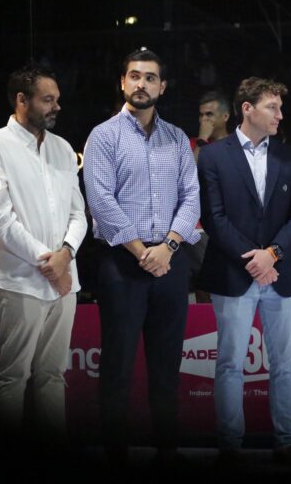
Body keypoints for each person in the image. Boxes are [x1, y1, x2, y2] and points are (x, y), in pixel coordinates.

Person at [83, 48, 200, 468]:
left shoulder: (177, 138)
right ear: (122, 82)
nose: (141, 84)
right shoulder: (103, 136)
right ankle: (116, 452)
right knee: (117, 361)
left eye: (150, 77)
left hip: (170, 260)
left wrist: (167, 247)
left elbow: (192, 198)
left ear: (162, 87)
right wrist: (141, 251)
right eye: (134, 76)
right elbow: (100, 200)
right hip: (121, 262)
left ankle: (167, 449)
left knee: (167, 364)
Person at [197, 77, 291, 469]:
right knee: (230, 363)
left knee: (286, 363)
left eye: (280, 107)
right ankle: (230, 447)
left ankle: (286, 443)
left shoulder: (289, 156)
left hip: (280, 273)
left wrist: (272, 255)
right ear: (247, 109)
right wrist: (255, 260)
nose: (280, 115)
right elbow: (213, 218)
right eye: (272, 107)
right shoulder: (213, 156)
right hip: (233, 272)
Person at [0, 65, 86, 443]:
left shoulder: (62, 149)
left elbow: (78, 213)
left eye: (57, 99)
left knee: (53, 375)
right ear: (22, 100)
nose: (57, 107)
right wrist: (50, 261)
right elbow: (0, 220)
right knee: (13, 376)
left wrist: (66, 253)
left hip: (64, 280)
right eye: (48, 100)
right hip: (19, 281)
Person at [186, 91, 231, 303]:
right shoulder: (193, 144)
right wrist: (202, 140)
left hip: (228, 225)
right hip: (198, 228)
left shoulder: (237, 145)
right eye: (201, 115)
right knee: (203, 284)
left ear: (225, 116)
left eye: (210, 115)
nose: (204, 120)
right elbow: (188, 177)